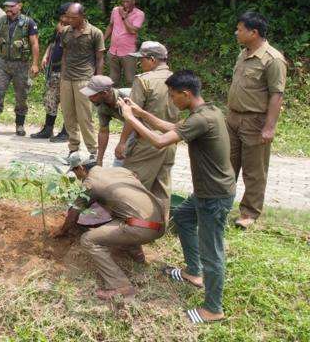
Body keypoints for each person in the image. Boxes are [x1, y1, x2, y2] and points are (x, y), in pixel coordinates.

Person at [119, 70, 234, 325]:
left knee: (212, 252)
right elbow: (172, 128)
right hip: (206, 192)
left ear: (186, 94)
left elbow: (161, 141)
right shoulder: (207, 112)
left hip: (213, 197)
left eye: (173, 96)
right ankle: (193, 273)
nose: (171, 101)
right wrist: (140, 113)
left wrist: (128, 118)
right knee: (182, 218)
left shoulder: (201, 119)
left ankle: (213, 309)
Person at [52, 155, 166, 300]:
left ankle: (120, 286)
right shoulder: (119, 170)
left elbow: (74, 212)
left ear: (80, 168)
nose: (77, 177)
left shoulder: (90, 183)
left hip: (141, 228)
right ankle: (138, 258)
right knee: (124, 218)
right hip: (159, 222)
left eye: (75, 173)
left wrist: (62, 231)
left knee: (88, 240)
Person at [227, 11, 286, 229]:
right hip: (232, 118)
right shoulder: (243, 54)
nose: (237, 32)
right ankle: (220, 204)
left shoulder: (273, 59)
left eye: (240, 29)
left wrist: (269, 127)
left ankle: (249, 213)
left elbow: (276, 95)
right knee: (227, 165)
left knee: (254, 170)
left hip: (255, 122)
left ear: (254, 32)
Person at [117, 41, 179, 209]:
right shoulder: (178, 79)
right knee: (162, 187)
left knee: (131, 184)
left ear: (152, 60)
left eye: (142, 59)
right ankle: (160, 225)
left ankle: (131, 226)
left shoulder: (144, 80)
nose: (139, 63)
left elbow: (131, 115)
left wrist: (122, 142)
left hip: (147, 142)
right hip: (171, 140)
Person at [0, 0, 39, 136]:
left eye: (11, 6)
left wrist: (35, 64)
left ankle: (20, 126)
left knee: (21, 96)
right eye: (6, 6)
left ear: (19, 6)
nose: (8, 9)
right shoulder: (1, 21)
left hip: (21, 64)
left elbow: (34, 43)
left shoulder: (29, 23)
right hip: (2, 63)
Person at [58, 2, 105, 157]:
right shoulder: (65, 31)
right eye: (68, 17)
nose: (69, 20)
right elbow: (64, 54)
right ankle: (73, 150)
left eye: (73, 17)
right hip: (67, 79)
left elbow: (99, 59)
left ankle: (93, 151)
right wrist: (62, 76)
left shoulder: (95, 33)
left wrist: (97, 81)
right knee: (68, 116)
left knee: (85, 118)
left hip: (85, 79)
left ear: (82, 16)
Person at [32, 2, 71, 141]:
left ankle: (67, 132)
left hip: (68, 72)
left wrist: (63, 31)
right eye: (61, 16)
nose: (62, 19)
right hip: (54, 69)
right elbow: (52, 42)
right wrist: (45, 55)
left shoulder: (76, 28)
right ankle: (48, 129)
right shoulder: (60, 26)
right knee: (50, 99)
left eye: (64, 16)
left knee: (67, 102)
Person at [78, 75, 130, 166]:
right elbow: (103, 132)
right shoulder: (102, 105)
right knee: (120, 160)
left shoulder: (127, 97)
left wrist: (122, 143)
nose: (89, 98)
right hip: (134, 126)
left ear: (105, 93)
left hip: (149, 123)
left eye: (92, 95)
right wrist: (99, 160)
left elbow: (133, 122)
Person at [104, 0, 144, 88]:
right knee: (113, 80)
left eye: (128, 1)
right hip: (113, 51)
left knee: (130, 80)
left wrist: (124, 17)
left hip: (128, 52)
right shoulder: (115, 10)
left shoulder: (139, 14)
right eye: (123, 1)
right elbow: (111, 26)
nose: (125, 4)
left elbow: (132, 31)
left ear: (133, 1)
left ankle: (132, 101)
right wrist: (103, 41)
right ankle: (114, 101)